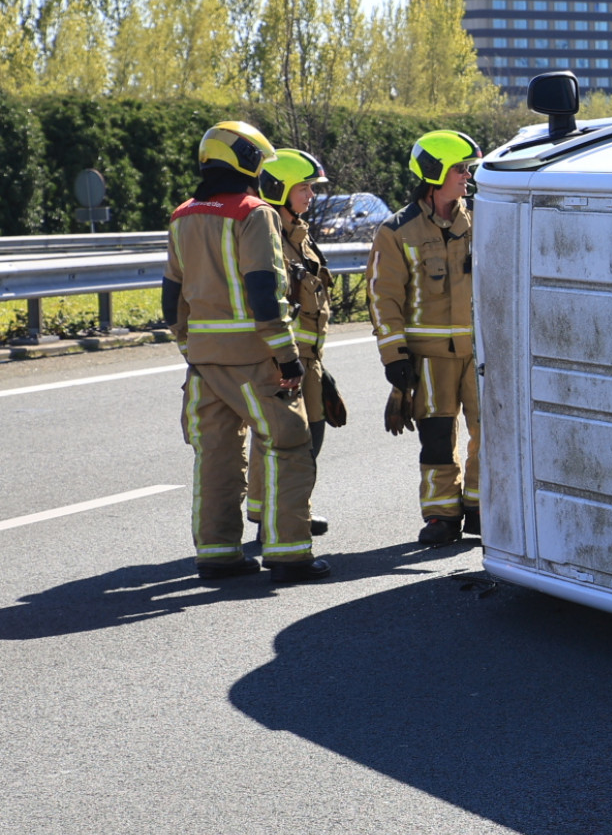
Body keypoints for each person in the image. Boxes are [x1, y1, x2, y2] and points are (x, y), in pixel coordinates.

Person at [161, 121, 328, 583]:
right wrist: (287, 356)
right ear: (248, 160)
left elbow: (170, 294)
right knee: (289, 444)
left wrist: (189, 346)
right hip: (253, 359)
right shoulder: (255, 212)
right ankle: (290, 553)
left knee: (214, 454)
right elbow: (265, 291)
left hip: (204, 360)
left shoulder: (183, 214)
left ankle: (217, 553)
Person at [368, 130, 483, 545]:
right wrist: (393, 357)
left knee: (489, 433)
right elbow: (383, 297)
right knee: (436, 439)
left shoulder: (484, 218)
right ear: (434, 173)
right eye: (459, 169)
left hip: (482, 356)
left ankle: (479, 506)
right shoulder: (396, 231)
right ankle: (441, 515)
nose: (466, 177)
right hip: (429, 358)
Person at [246, 148, 340, 538]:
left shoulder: (299, 235)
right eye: (304, 187)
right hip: (282, 359)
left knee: (310, 436)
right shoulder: (267, 238)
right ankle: (270, 516)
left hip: (308, 358)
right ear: (278, 188)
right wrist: (286, 357)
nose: (311, 195)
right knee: (286, 441)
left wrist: (318, 363)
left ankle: (292, 509)